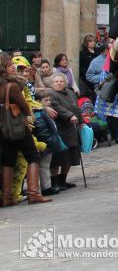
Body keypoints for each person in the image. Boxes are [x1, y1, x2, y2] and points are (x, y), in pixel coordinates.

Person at [0, 53, 52, 205]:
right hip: (17, 125)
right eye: (10, 66)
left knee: (8, 160)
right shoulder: (12, 86)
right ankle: (33, 193)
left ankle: (7, 197)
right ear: (3, 69)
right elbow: (23, 105)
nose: (14, 68)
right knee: (33, 156)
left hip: (4, 127)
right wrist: (29, 115)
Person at [47, 73, 83, 190]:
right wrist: (70, 116)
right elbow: (57, 107)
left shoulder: (70, 92)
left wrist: (81, 120)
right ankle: (55, 182)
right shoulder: (51, 94)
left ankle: (63, 180)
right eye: (56, 81)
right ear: (52, 84)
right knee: (57, 158)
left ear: (65, 83)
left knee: (70, 157)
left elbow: (76, 107)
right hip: (59, 129)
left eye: (61, 81)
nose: (59, 83)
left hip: (72, 128)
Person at [86, 42, 118, 144]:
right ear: (104, 50)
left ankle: (116, 135)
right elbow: (89, 76)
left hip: (115, 89)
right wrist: (102, 79)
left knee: (114, 113)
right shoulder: (96, 62)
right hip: (103, 90)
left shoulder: (116, 59)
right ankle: (106, 135)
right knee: (103, 113)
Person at [78, 34, 97, 99]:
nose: (93, 43)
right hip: (87, 77)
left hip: (97, 76)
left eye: (94, 41)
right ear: (87, 43)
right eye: (91, 41)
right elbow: (82, 67)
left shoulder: (98, 52)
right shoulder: (83, 53)